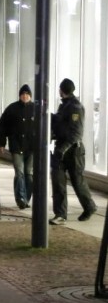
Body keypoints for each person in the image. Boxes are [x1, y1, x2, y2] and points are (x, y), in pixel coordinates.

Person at [49, 78, 97, 225]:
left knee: (78, 182)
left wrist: (62, 149)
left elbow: (76, 133)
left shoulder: (75, 107)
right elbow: (59, 125)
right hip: (61, 149)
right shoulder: (64, 106)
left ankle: (89, 206)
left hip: (73, 151)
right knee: (58, 182)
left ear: (62, 90)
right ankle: (60, 214)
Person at [0, 84, 35, 210]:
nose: (25, 96)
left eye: (27, 94)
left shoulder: (36, 109)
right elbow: (2, 126)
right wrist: (1, 143)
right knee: (19, 172)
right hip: (16, 146)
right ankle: (20, 198)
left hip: (32, 147)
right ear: (19, 95)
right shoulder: (12, 109)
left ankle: (26, 197)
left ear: (30, 96)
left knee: (29, 173)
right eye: (23, 94)